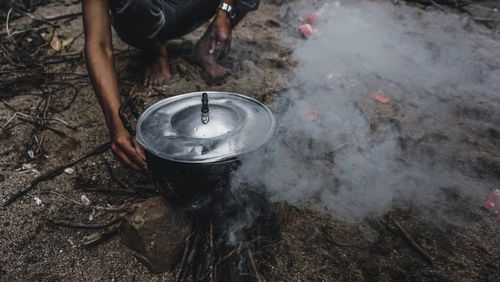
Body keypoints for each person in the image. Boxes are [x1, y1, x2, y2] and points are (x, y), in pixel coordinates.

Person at [82, 0, 259, 171]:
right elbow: (99, 45)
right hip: (141, 18)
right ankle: (155, 51)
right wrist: (117, 125)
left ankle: (207, 47)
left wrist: (224, 12)